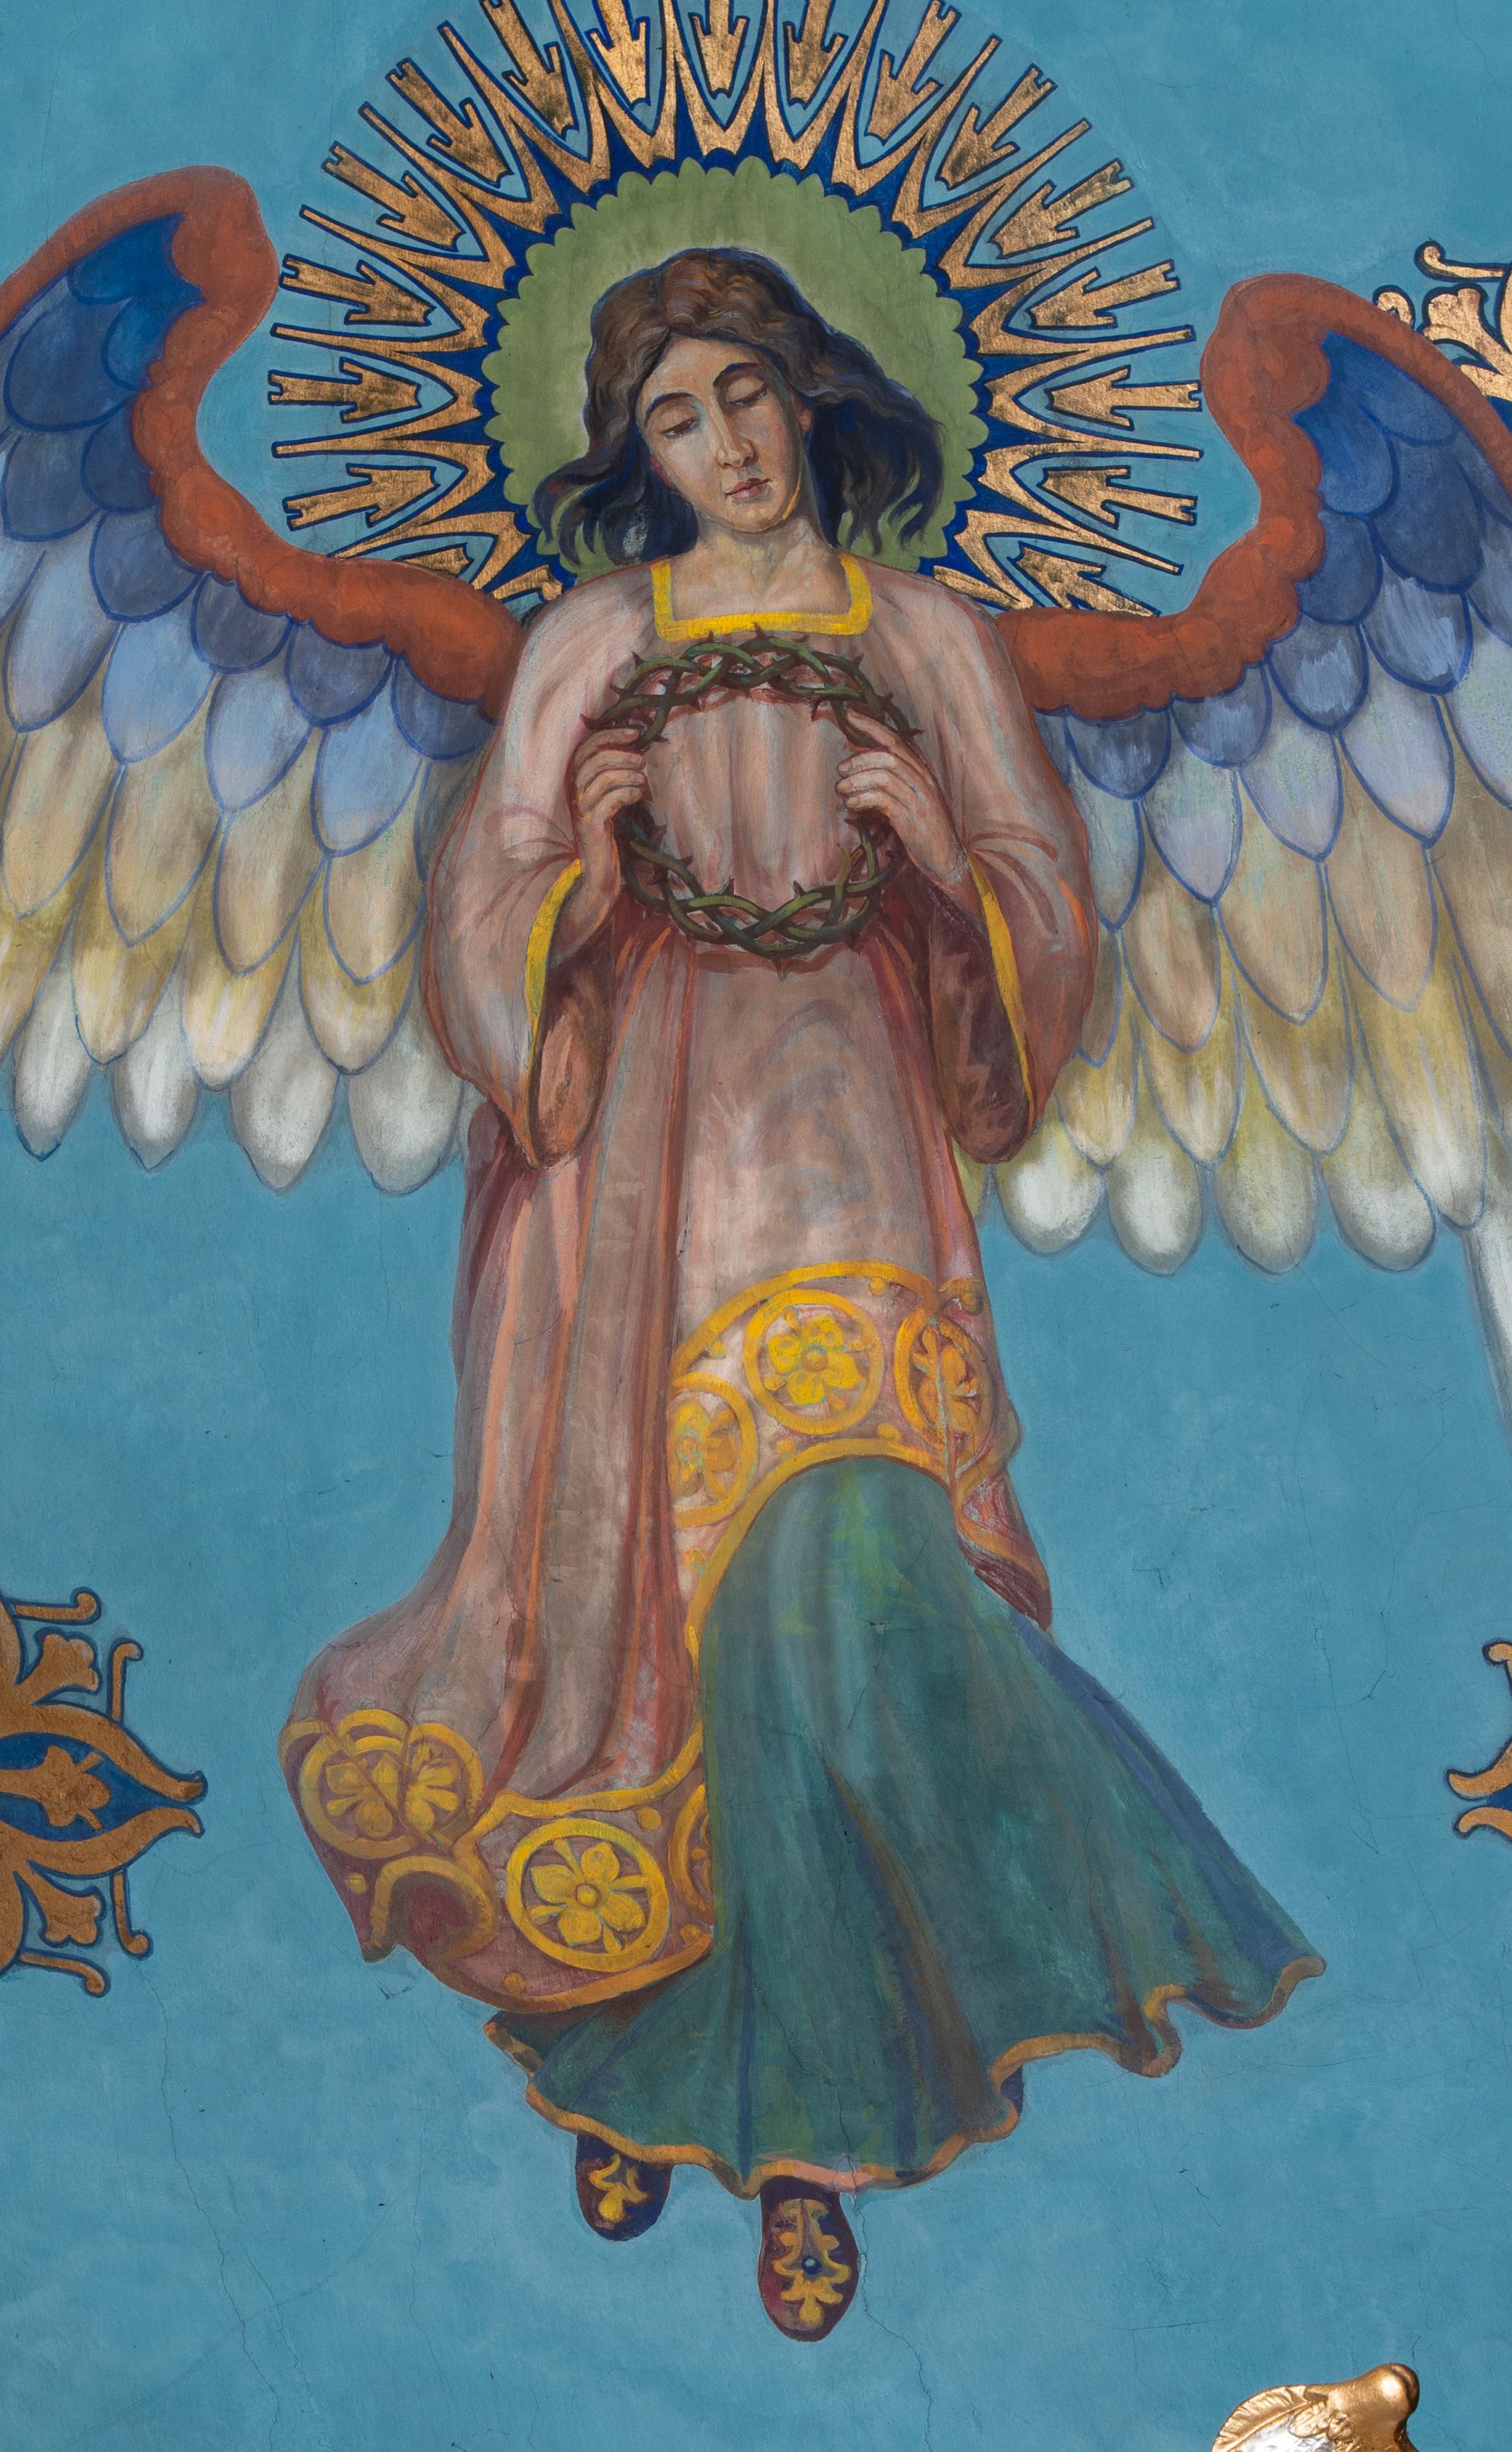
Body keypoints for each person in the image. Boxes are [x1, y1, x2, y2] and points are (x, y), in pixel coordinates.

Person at [281, 244, 1319, 2338]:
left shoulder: (922, 637)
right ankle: (651, 2049)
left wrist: (939, 839)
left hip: (855, 1159)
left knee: (853, 1592)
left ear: (810, 393)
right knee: (655, 1644)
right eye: (676, 419)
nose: (726, 445)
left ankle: (806, 2125)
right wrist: (574, 866)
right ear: (639, 457)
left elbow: (1041, 904)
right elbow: (480, 922)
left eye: (745, 394)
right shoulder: (593, 641)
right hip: (636, 1188)